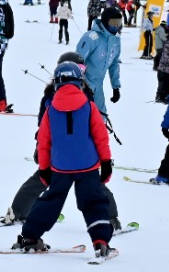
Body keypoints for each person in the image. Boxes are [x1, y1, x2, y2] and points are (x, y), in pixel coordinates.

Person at [13, 62, 115, 258]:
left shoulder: (50, 110)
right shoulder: (89, 106)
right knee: (93, 202)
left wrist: (44, 168)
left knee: (50, 201)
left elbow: (44, 142)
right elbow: (101, 136)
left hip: (60, 167)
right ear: (79, 82)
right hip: (88, 165)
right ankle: (101, 241)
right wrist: (106, 162)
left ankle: (30, 237)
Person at [75, 5, 121, 120]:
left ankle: (99, 137)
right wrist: (79, 85)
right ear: (106, 21)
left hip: (98, 85)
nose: (116, 25)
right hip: (84, 84)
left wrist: (115, 87)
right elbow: (77, 61)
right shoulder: (91, 37)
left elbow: (114, 63)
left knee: (101, 116)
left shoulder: (115, 40)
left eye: (118, 22)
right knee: (82, 116)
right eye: (113, 22)